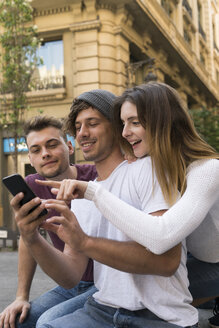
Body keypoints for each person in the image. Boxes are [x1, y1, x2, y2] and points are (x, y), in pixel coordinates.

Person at [52, 83, 218, 326]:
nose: (124, 132)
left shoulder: (206, 170)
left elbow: (161, 238)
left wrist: (94, 193)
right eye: (123, 123)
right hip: (198, 258)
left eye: (134, 122)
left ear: (162, 121)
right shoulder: (159, 166)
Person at [0, 116, 97, 328]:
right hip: (70, 285)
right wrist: (20, 296)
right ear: (31, 158)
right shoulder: (32, 185)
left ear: (69, 147)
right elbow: (28, 237)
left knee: (47, 323)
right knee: (13, 321)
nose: (45, 153)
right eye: (36, 150)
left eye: (52, 145)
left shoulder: (94, 178)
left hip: (102, 285)